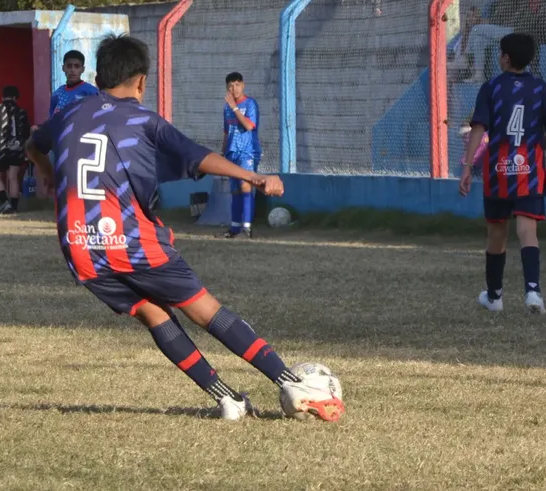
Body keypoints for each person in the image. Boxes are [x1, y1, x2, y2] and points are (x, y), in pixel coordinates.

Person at [25, 34, 344, 422]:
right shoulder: (143, 119)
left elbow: (33, 143)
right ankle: (291, 382)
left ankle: (229, 399)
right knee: (205, 310)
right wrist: (254, 177)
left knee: (153, 314)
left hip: (79, 245)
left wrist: (46, 176)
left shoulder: (69, 114)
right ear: (141, 81)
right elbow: (201, 157)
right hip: (130, 241)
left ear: (98, 75)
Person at [459, 33, 546, 316]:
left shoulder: (491, 87)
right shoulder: (540, 88)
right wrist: (539, 146)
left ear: (505, 57)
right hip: (529, 169)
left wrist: (468, 167)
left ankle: (494, 297)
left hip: (498, 171)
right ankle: (533, 291)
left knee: (497, 232)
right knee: (528, 232)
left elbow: (478, 128)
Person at [220, 72, 261, 239]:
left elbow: (249, 126)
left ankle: (247, 228)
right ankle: (235, 228)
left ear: (243, 85)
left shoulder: (251, 104)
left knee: (245, 185)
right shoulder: (226, 108)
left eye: (237, 84)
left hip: (247, 151)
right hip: (232, 152)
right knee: (235, 190)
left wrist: (235, 108)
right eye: (230, 85)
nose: (234, 88)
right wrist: (223, 153)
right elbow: (226, 131)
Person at [0, 85, 31, 214]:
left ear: (3, 96)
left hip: (1, 148)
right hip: (17, 148)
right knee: (13, 177)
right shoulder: (22, 112)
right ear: (15, 97)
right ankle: (14, 206)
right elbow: (26, 133)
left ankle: (4, 203)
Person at [49, 49, 99, 117]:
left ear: (83, 69)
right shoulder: (57, 94)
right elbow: (51, 120)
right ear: (63, 68)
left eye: (77, 66)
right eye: (69, 66)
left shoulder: (92, 92)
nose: (72, 70)